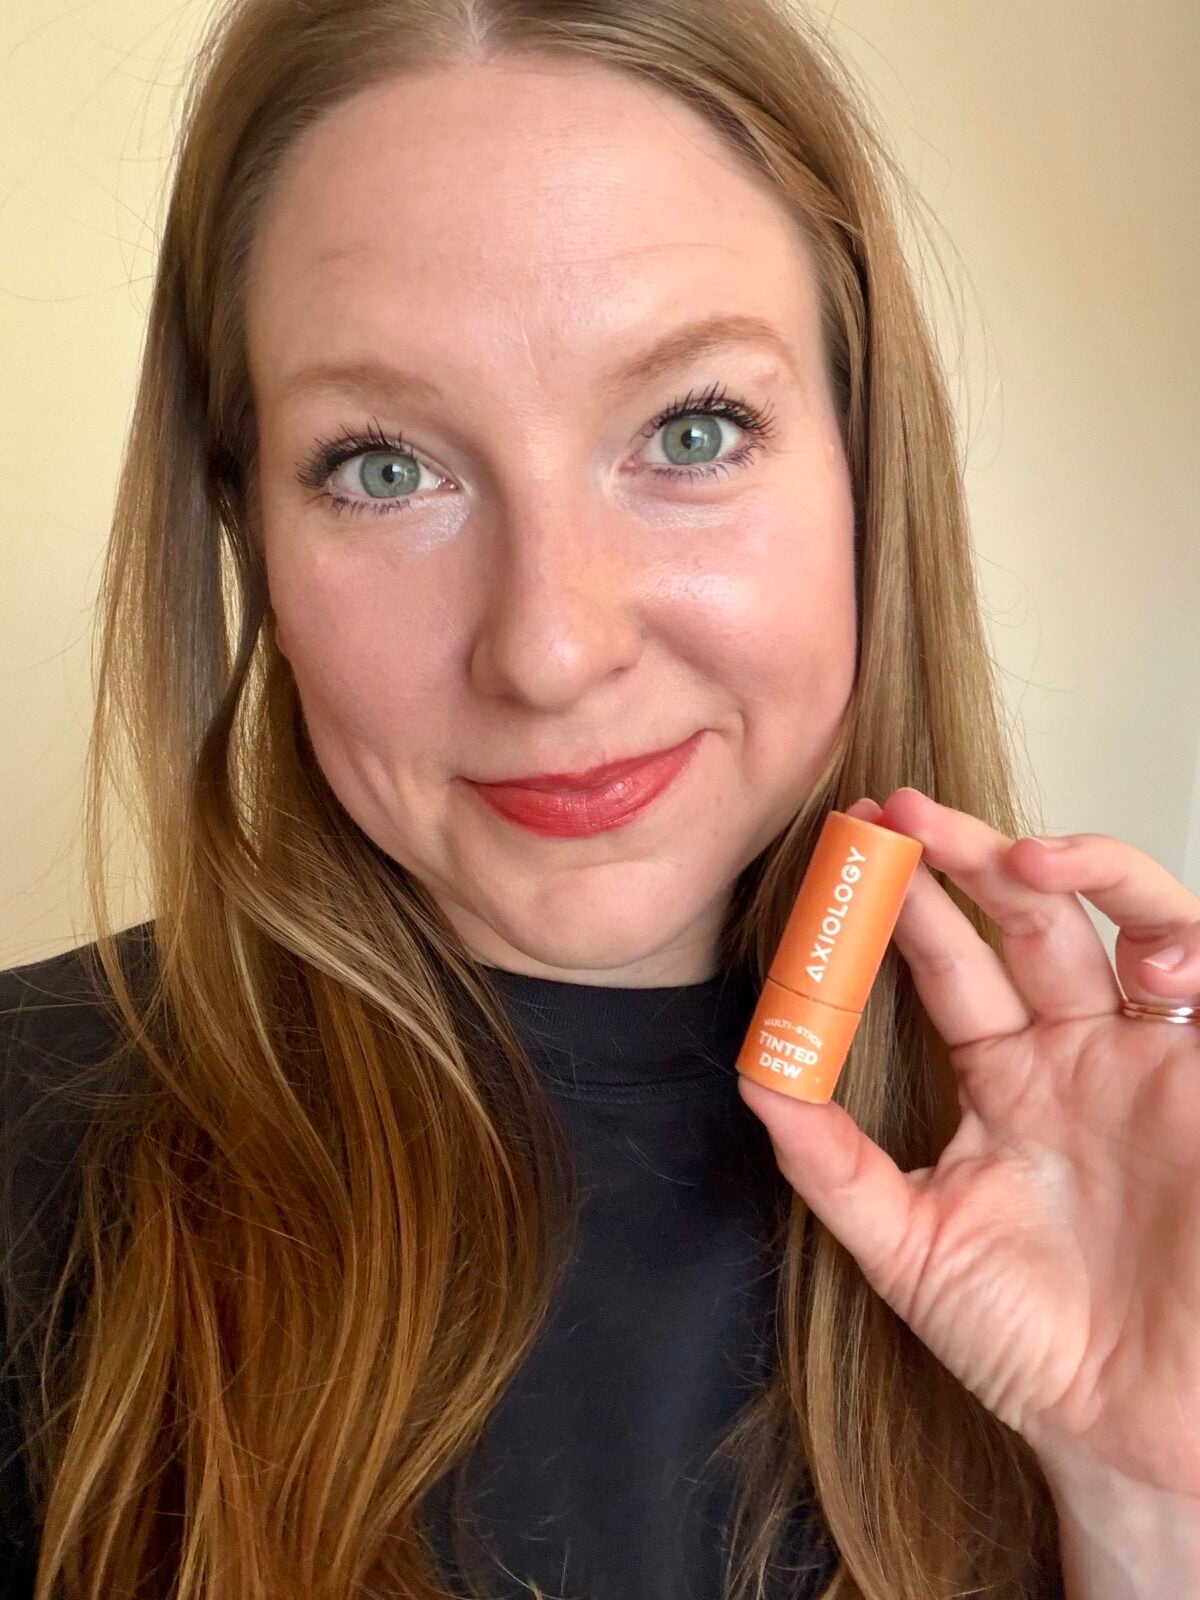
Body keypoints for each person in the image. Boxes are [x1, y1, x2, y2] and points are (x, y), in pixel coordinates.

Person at [3, 1, 1199, 1597]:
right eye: (381, 466)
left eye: (690, 431)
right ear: (243, 532)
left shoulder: (1137, 1203)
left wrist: (1147, 1506)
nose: (552, 650)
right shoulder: (31, 1156)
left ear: (863, 463)